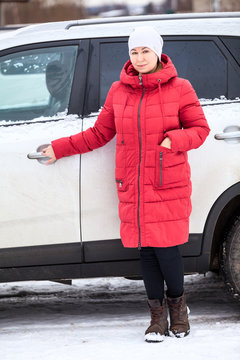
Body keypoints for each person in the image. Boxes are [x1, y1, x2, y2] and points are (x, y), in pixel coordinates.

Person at [42, 26, 210, 343]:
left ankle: (179, 309)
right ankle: (156, 318)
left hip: (166, 180)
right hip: (132, 181)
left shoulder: (181, 88)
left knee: (167, 249)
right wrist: (60, 147)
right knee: (145, 250)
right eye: (134, 51)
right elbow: (98, 134)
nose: (140, 57)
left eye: (146, 51)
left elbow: (200, 130)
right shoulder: (119, 91)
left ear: (158, 53)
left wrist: (175, 138)